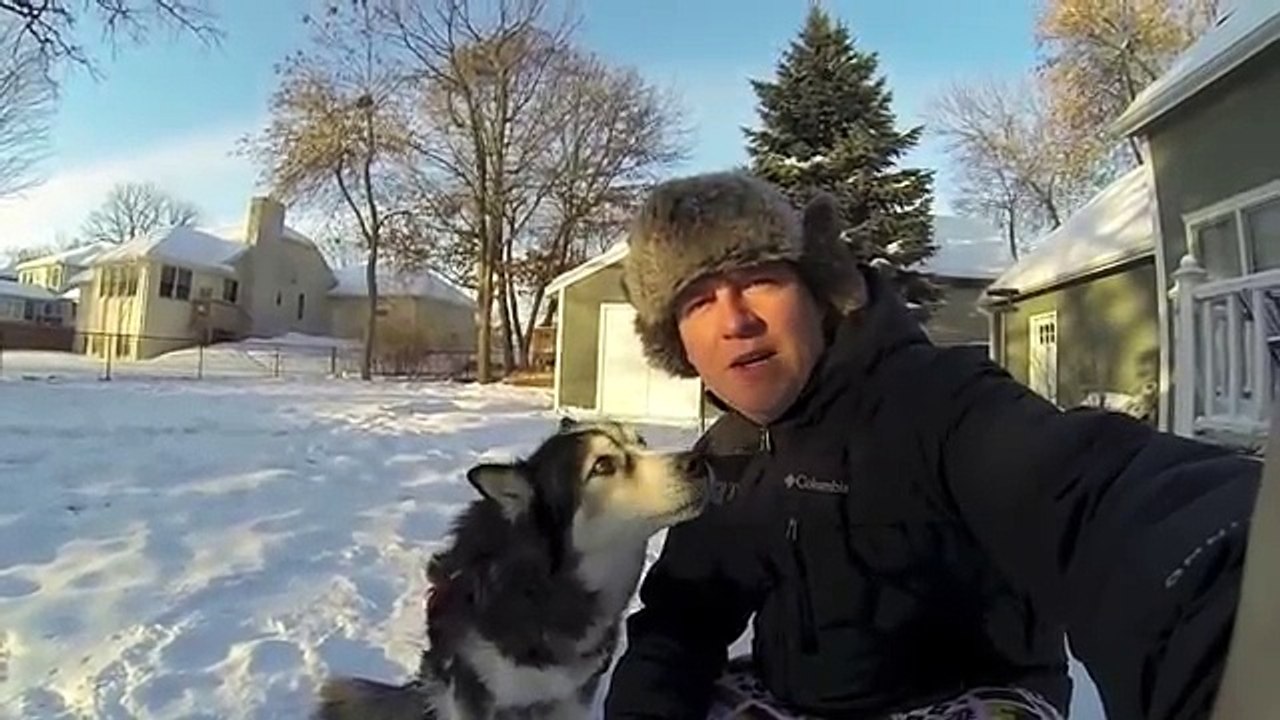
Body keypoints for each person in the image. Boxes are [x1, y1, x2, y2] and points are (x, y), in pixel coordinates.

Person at [600, 171, 1261, 720]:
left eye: (760, 281)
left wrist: (1232, 597)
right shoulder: (729, 456)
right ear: (679, 346)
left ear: (820, 294)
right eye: (697, 303)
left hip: (969, 701)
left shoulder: (940, 401)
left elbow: (1097, 501)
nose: (735, 321)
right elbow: (679, 624)